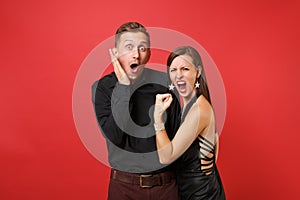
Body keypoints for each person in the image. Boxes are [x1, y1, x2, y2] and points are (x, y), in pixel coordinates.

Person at [92, 22, 181, 200]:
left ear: (149, 54)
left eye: (142, 48)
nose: (136, 54)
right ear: (116, 53)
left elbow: (178, 140)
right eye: (129, 47)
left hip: (166, 187)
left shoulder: (165, 83)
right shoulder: (102, 88)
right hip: (124, 189)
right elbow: (115, 136)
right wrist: (124, 88)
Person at [154, 46, 226, 200]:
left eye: (185, 68)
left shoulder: (198, 109)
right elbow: (214, 138)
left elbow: (166, 157)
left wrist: (157, 119)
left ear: (198, 72)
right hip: (191, 190)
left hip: (202, 194)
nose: (178, 75)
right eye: (173, 70)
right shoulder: (188, 105)